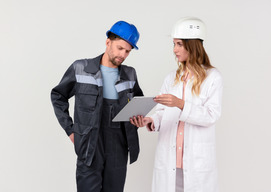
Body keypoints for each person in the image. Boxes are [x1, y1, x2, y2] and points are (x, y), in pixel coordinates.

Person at [131, 17, 223, 192]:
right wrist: (150, 121)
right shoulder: (171, 78)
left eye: (179, 44)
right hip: (170, 160)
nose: (174, 50)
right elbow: (162, 112)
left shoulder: (213, 77)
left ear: (193, 45)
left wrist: (181, 104)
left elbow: (212, 115)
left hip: (196, 162)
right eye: (174, 44)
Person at [51, 20, 143, 192]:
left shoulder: (130, 74)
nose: (123, 54)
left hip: (118, 146)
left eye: (128, 51)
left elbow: (137, 102)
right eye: (120, 48)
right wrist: (70, 129)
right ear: (108, 42)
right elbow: (58, 95)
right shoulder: (81, 68)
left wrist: (138, 119)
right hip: (89, 146)